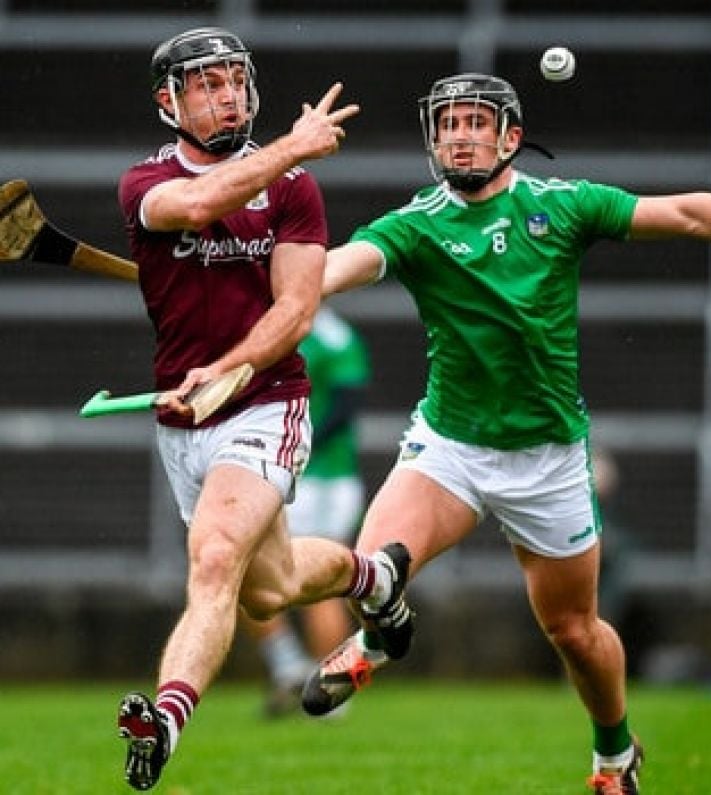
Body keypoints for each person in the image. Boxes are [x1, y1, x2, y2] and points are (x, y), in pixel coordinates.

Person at [299, 72, 711, 794]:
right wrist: (286, 287)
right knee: (371, 565)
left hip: (548, 461)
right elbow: (339, 267)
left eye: (475, 122)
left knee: (573, 631)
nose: (459, 135)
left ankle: (612, 757)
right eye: (448, 124)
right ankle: (377, 638)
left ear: (509, 137)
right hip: (451, 448)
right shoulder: (416, 223)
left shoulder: (560, 206)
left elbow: (684, 213)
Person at [114, 27, 413, 791]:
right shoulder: (144, 184)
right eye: (206, 85)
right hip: (182, 418)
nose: (226, 97)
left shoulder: (292, 191)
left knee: (214, 559)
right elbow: (202, 201)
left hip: (266, 402)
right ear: (167, 101)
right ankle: (373, 578)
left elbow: (297, 309)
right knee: (269, 584)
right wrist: (292, 145)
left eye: (234, 81)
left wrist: (233, 364)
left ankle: (166, 720)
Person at [245, 305, 370, 717]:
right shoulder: (331, 333)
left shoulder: (323, 335)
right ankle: (300, 672)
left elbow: (346, 408)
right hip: (313, 478)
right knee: (261, 575)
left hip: (317, 480)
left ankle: (317, 683)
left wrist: (296, 448)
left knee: (306, 583)